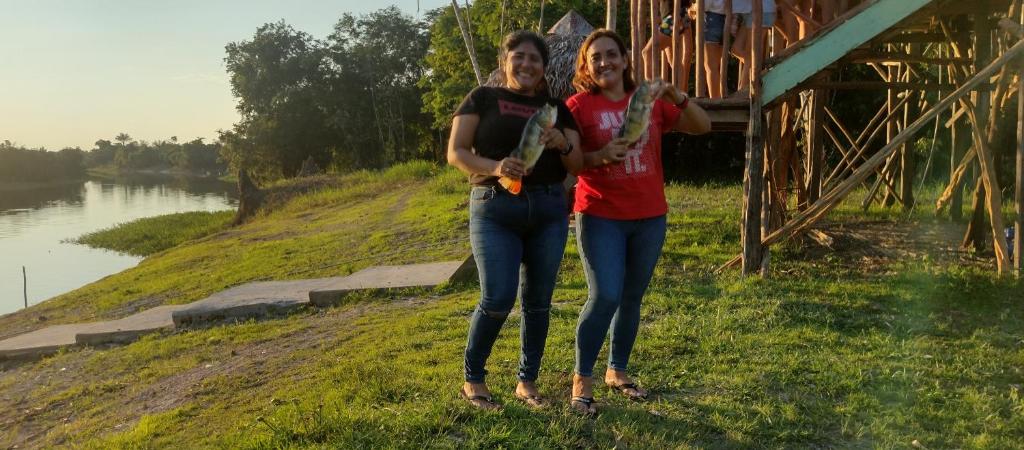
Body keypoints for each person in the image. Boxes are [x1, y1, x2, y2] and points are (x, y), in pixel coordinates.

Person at [565, 29, 711, 414]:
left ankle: (618, 370)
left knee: (631, 297)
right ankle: (582, 379)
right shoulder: (578, 106)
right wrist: (599, 156)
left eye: (611, 54)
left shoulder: (649, 101)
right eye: (595, 57)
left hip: (650, 216)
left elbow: (702, 126)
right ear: (586, 66)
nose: (604, 62)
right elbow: (570, 162)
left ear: (625, 59)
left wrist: (676, 95)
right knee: (605, 295)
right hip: (600, 214)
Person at [447, 30, 583, 410]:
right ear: (504, 61)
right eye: (518, 56)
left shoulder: (556, 108)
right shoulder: (482, 97)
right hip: (495, 208)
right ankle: (474, 378)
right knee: (498, 297)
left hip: (549, 210)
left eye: (534, 58)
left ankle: (527, 381)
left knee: (538, 302)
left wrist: (563, 144)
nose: (526, 64)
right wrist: (495, 166)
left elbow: (578, 164)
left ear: (544, 67)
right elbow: (456, 153)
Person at [642, 5, 695, 93]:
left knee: (647, 52)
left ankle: (651, 93)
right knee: (674, 62)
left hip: (674, 17)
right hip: (673, 16)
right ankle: (681, 94)